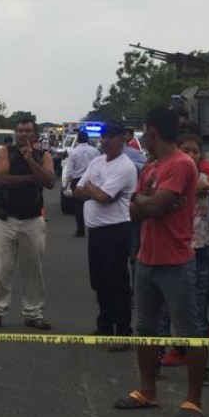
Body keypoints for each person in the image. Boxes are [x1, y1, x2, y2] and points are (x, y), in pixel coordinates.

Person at [113, 107, 209, 417]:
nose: (142, 137)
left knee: (188, 331)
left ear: (153, 131)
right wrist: (149, 203)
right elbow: (136, 208)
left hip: (176, 263)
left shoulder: (181, 164)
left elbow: (150, 204)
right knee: (146, 329)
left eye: (144, 131)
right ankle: (147, 391)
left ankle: (193, 400)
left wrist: (149, 203)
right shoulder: (151, 167)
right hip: (146, 259)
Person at [158, 135, 209, 368]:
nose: (191, 156)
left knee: (197, 303)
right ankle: (160, 354)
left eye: (195, 151)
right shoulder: (167, 176)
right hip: (172, 250)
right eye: (186, 150)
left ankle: (197, 360)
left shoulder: (206, 179)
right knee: (166, 305)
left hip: (200, 250)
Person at [0, 117, 56, 330]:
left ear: (35, 134)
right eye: (20, 130)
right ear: (16, 133)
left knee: (33, 268)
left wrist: (31, 161)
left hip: (32, 219)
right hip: (6, 218)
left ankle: (33, 312)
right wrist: (31, 179)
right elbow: (1, 179)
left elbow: (49, 181)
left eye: (28, 131)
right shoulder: (6, 152)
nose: (23, 134)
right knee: (2, 266)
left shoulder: (44, 155)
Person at [73, 122, 138, 348]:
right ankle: (105, 325)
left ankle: (122, 332)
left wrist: (92, 188)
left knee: (117, 282)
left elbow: (104, 197)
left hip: (116, 230)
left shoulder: (125, 166)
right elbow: (77, 191)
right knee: (99, 281)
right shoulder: (96, 161)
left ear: (122, 139)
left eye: (111, 137)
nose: (106, 141)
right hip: (97, 231)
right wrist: (94, 189)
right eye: (103, 137)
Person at [65, 129, 100, 238]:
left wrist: (69, 181)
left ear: (78, 140)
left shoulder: (73, 152)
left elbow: (70, 169)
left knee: (78, 208)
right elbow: (99, 166)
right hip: (92, 181)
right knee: (93, 205)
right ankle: (93, 230)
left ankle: (80, 231)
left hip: (78, 181)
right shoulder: (95, 151)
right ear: (87, 139)